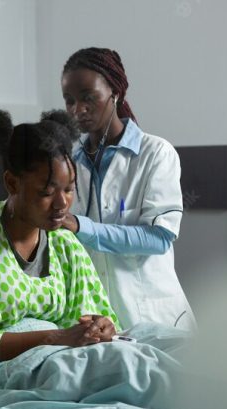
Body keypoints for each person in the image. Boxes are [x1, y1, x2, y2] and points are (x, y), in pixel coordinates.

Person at [0, 110, 119, 367]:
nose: (62, 203)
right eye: (47, 192)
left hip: (64, 359)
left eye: (69, 189)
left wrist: (100, 327)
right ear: (12, 183)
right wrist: (55, 338)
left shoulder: (64, 243)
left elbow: (88, 318)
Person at [60, 47, 196, 331]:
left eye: (88, 98)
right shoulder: (70, 162)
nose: (77, 110)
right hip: (99, 319)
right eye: (69, 100)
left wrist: (81, 227)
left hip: (154, 315)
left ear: (115, 93)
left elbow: (158, 239)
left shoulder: (156, 153)